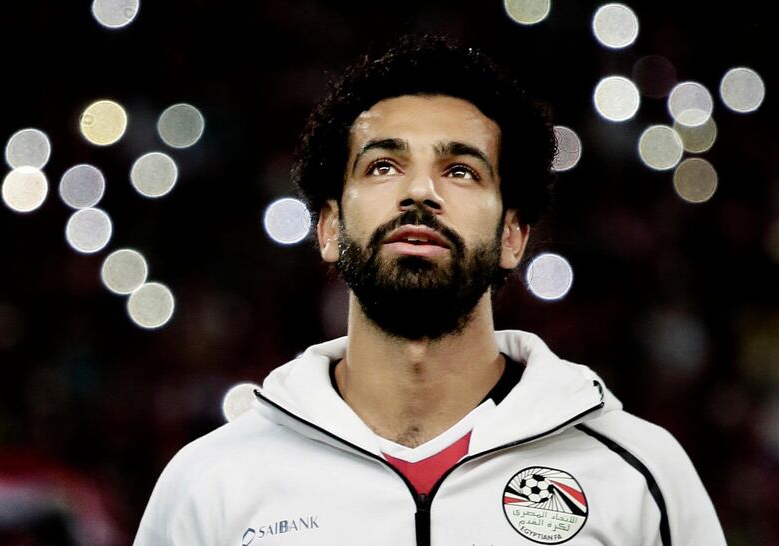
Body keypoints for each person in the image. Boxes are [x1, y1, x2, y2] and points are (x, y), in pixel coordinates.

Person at [134, 35, 726, 546]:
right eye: (383, 167)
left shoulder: (637, 474)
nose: (420, 191)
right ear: (330, 228)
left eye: (461, 170)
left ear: (513, 238)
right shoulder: (211, 482)